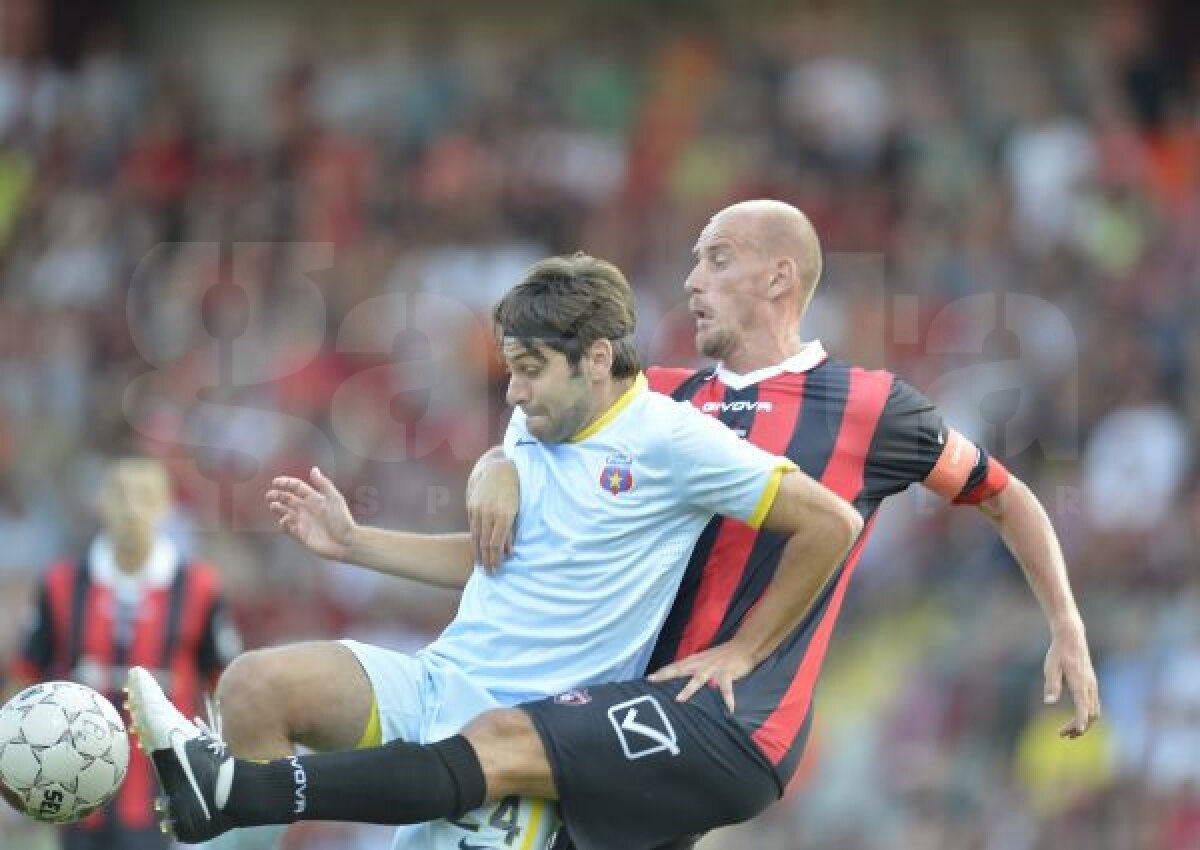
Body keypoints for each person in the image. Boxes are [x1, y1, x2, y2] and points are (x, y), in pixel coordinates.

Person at [130, 199, 1101, 850]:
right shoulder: (649, 396)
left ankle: (245, 793)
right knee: (278, 693)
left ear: (779, 278)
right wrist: (492, 463)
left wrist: (1064, 622)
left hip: (702, 713)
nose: (691, 279)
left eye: (715, 259)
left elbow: (997, 494)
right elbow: (537, 452)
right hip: (596, 702)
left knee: (489, 754)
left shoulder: (866, 407)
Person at [123, 251, 862, 849]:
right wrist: (353, 543)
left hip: (526, 735)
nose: (512, 392)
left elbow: (831, 523)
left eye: (530, 368)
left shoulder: (675, 441)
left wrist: (744, 652)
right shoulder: (533, 423)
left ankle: (232, 794)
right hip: (440, 680)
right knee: (255, 686)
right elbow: (497, 558)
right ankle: (221, 807)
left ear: (596, 358)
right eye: (511, 367)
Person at [2, 457, 240, 850]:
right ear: (100, 502)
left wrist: (226, 772)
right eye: (119, 495)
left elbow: (227, 686)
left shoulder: (199, 588)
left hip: (164, 795)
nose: (131, 508)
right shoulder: (61, 584)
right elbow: (23, 676)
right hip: (72, 787)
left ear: (165, 506)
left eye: (144, 496)